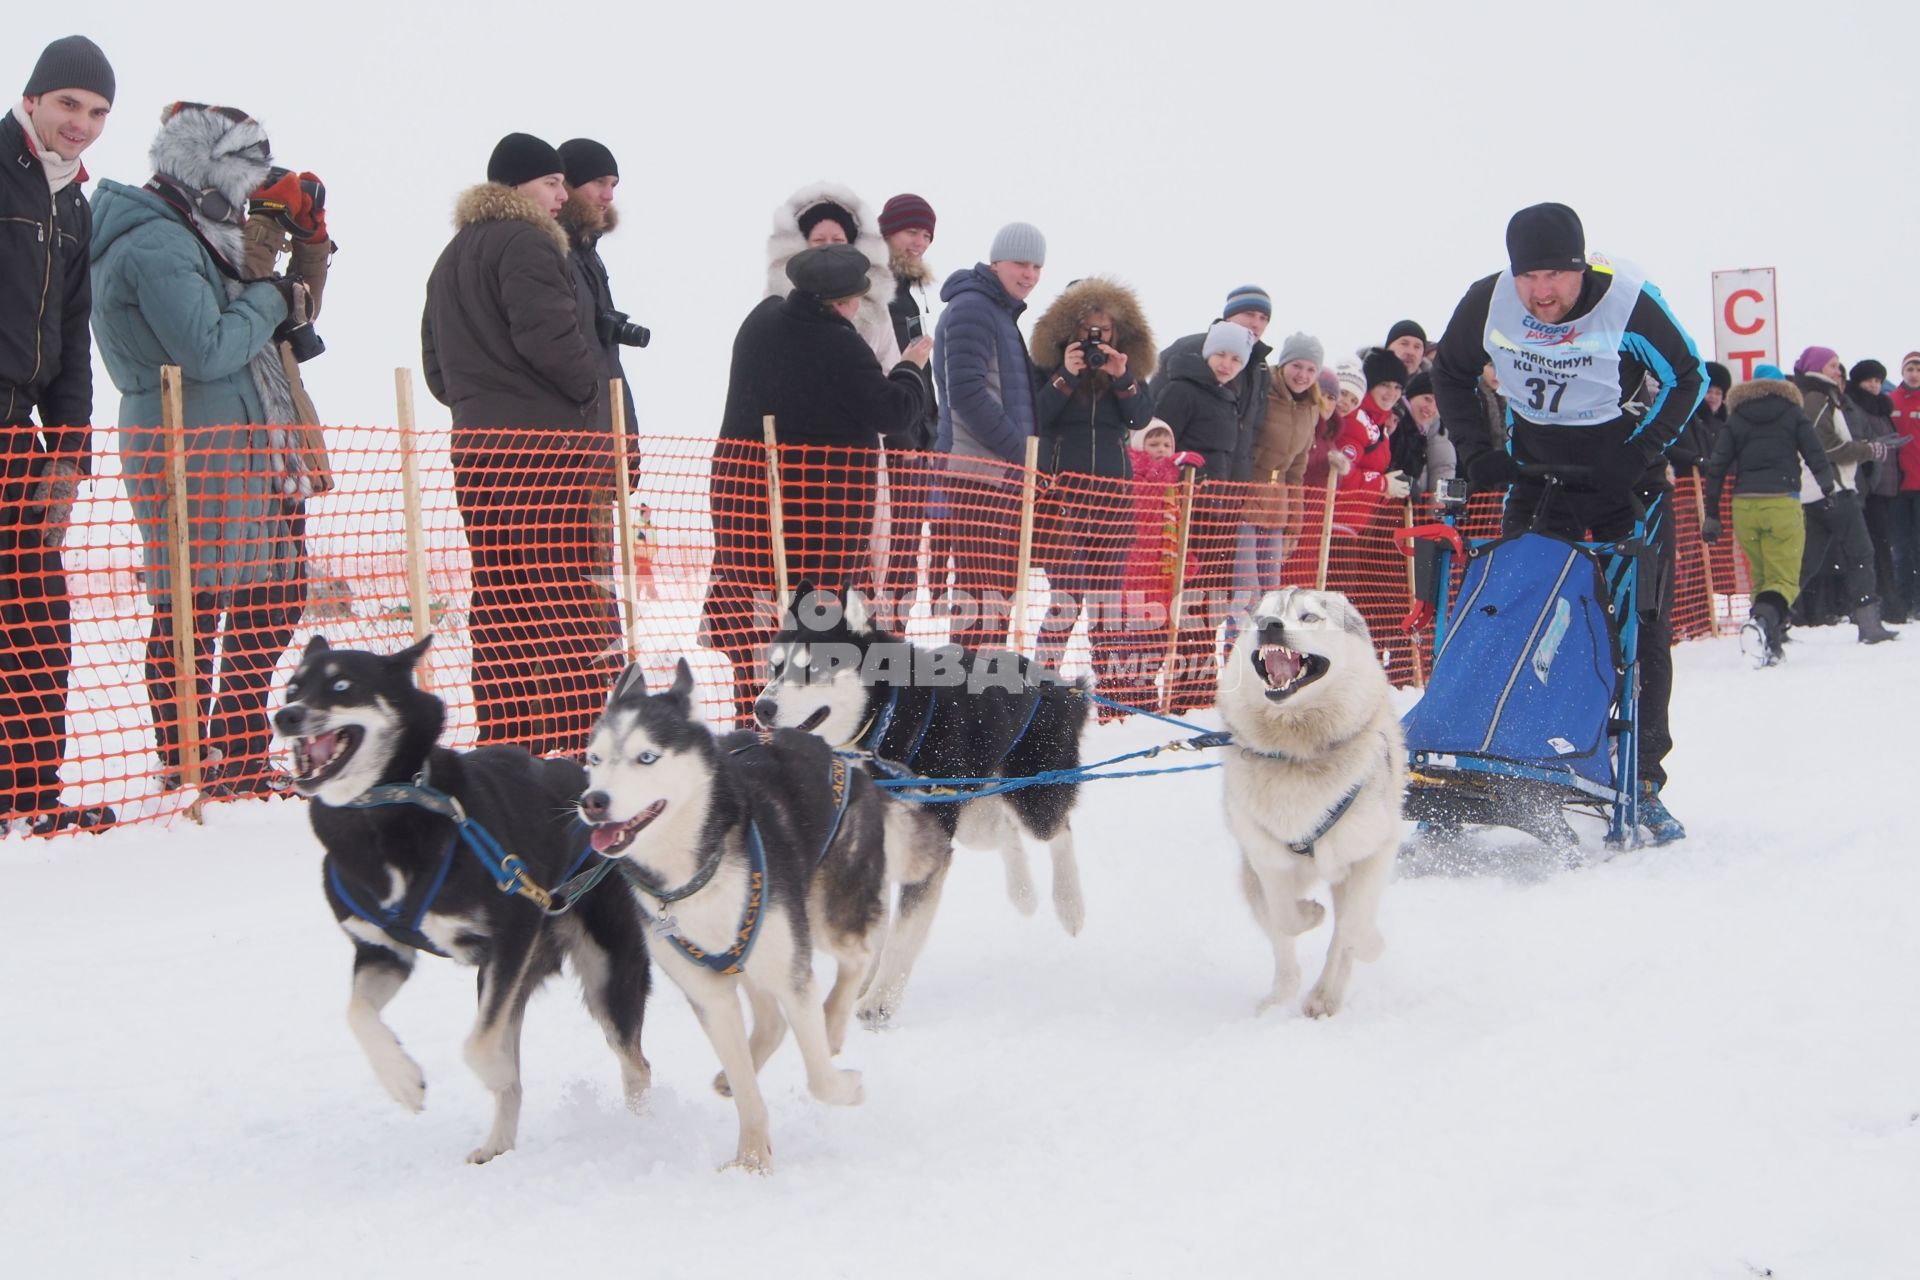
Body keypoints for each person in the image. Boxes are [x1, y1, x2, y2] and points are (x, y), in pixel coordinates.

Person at [1431, 202, 1703, 843]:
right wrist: (1479, 453)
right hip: (1537, 479)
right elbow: (1450, 370)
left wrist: (1640, 453)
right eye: (1529, 276)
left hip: (1624, 486)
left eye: (1556, 275)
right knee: (1514, 612)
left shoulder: (1630, 301)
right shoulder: (1489, 300)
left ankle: (1642, 781)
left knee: (1639, 628)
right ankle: (1507, 763)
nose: (1541, 291)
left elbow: (1686, 378)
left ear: (1581, 268)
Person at [92, 102, 313, 797]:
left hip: (232, 435)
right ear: (207, 170)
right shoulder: (158, 243)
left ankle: (226, 750)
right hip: (194, 440)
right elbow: (208, 346)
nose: (251, 194)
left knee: (260, 596)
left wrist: (294, 259)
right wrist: (271, 300)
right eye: (245, 176)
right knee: (197, 605)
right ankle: (201, 758)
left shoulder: (193, 231)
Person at [421, 132, 609, 754]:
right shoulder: (528, 240)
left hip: (476, 451)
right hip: (543, 452)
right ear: (517, 186)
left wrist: (480, 405)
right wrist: (588, 392)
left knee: (500, 599)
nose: (562, 194)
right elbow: (550, 340)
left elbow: (436, 368)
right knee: (561, 594)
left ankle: (504, 743)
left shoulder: (451, 255)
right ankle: (572, 740)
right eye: (552, 182)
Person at [704, 244, 932, 722]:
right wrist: (911, 365)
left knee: (756, 617)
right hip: (817, 517)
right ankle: (801, 721)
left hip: (746, 503)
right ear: (845, 302)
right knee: (813, 626)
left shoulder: (761, 321)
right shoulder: (837, 342)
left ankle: (752, 717)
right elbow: (893, 411)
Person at [2, 36, 115, 833]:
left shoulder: (73, 200)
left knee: (39, 616)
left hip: (24, 438)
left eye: (98, 111)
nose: (81, 124)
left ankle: (29, 795)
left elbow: (72, 338)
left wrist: (69, 454)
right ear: (33, 98)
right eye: (70, 104)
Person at [1026, 276, 1156, 672]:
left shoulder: (1126, 367)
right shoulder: (1046, 364)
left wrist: (1123, 378)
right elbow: (1035, 416)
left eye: (1105, 328)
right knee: (1067, 594)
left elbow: (1141, 418)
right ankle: (1041, 684)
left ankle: (1113, 686)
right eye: (1088, 328)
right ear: (1070, 326)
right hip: (1063, 499)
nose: (1096, 336)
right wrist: (1065, 375)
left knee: (1107, 599)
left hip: (1115, 500)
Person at [933, 221, 1044, 650]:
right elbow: (966, 391)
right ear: (996, 263)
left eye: (1037, 266)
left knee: (995, 595)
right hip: (977, 471)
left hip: (999, 475)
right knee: (981, 596)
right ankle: (967, 702)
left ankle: (986, 697)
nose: (1029, 275)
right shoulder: (974, 309)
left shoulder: (999, 312)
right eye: (1021, 263)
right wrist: (1021, 452)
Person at [1701, 365, 1836, 662]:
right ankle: (1761, 621)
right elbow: (1815, 453)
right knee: (1784, 580)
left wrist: (1711, 513)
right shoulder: (1793, 413)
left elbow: (1717, 465)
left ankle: (1769, 644)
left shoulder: (1737, 417)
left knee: (1761, 579)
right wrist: (1828, 489)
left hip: (1744, 505)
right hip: (1781, 501)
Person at [1155, 320, 1253, 709]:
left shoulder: (1228, 396)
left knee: (1212, 602)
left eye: (1235, 358)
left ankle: (1198, 687)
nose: (1226, 364)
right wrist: (1176, 466)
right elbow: (1157, 439)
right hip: (1187, 510)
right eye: (1220, 355)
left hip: (1220, 514)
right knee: (1187, 601)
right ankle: (1179, 691)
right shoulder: (1181, 389)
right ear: (1206, 352)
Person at [1789, 346, 1898, 643]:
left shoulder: (1820, 396)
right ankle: (1869, 623)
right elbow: (1823, 446)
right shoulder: (1818, 398)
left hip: (1818, 491)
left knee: (1808, 561)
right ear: (1816, 368)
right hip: (1833, 489)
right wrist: (1868, 450)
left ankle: (1770, 616)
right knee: (1861, 552)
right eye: (1833, 365)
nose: (1838, 370)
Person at [874, 192, 941, 631]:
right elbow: (887, 369)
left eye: (926, 235)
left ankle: (891, 666)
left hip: (914, 448)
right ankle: (878, 670)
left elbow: (919, 372)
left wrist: (928, 435)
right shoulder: (878, 288)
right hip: (893, 449)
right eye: (911, 231)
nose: (919, 242)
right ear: (887, 231)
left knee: (901, 574)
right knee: (888, 567)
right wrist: (906, 439)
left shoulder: (909, 296)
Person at [1104, 421, 1202, 718]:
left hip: (1159, 580)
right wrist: (1173, 466)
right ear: (1137, 447)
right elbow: (1147, 513)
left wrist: (1188, 561)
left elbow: (1170, 529)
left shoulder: (1170, 487)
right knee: (1135, 646)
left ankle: (1146, 702)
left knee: (1156, 646)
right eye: (1154, 444)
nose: (1161, 451)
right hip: (1135, 580)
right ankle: (1132, 704)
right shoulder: (1136, 476)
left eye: (1167, 445)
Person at [764, 183, 900, 368]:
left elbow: (889, 362)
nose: (829, 246)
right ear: (802, 245)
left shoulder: (873, 301)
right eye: (819, 240)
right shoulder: (779, 298)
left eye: (838, 240)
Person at [1151, 285, 1274, 488]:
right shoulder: (1188, 349)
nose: (1256, 323)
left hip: (1228, 486)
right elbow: (1157, 419)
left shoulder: (1259, 367)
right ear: (1229, 315)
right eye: (1249, 314)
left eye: (1264, 318)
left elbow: (1253, 429)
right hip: (1183, 485)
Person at [1238, 332, 1324, 607]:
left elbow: (1297, 471)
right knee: (1247, 589)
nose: (1303, 375)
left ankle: (1261, 649)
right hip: (1248, 498)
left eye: (1311, 369)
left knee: (1271, 590)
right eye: (1297, 366)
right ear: (1283, 364)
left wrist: (1294, 523)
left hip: (1278, 505)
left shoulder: (1310, 407)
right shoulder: (1265, 392)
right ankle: (1234, 647)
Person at [1846, 359, 1906, 622]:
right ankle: (1883, 602)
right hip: (1869, 490)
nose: (1874, 385)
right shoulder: (1857, 408)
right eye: (1869, 380)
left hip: (1887, 487)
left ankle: (1888, 600)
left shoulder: (1882, 408)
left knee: (1884, 545)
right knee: (1875, 547)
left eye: (1878, 380)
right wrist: (1868, 481)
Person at [1889, 352, 1920, 623]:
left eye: (1919, 369)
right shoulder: (1890, 401)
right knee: (1900, 547)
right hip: (1898, 486)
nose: (1914, 374)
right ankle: (1902, 602)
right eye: (1910, 368)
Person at [1668, 361, 1729, 477]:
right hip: (1685, 484)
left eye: (1718, 393)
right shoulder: (1683, 418)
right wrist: (1694, 460)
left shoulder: (1723, 426)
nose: (1713, 397)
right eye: (1709, 391)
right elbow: (1667, 448)